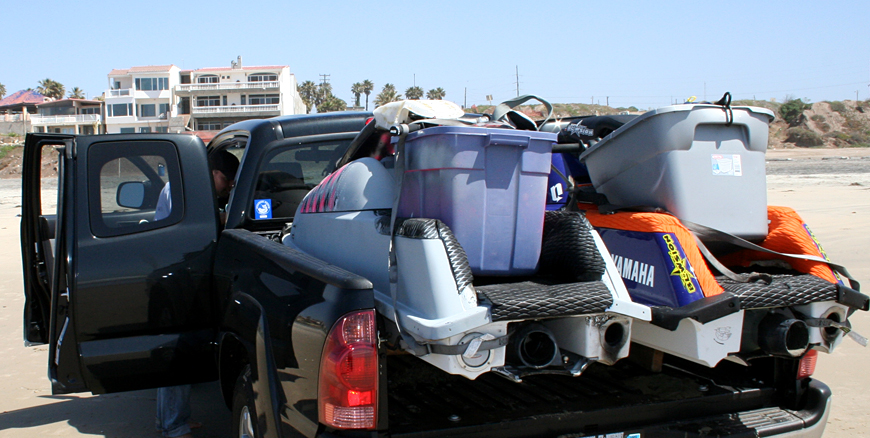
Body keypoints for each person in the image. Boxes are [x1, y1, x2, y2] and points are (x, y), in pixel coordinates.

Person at [154, 150, 239, 438]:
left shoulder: (188, 186)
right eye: (226, 181)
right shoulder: (183, 190)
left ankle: (176, 418)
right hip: (177, 278)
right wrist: (223, 218)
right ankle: (173, 426)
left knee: (184, 351)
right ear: (213, 172)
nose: (228, 187)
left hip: (183, 275)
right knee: (176, 352)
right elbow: (191, 230)